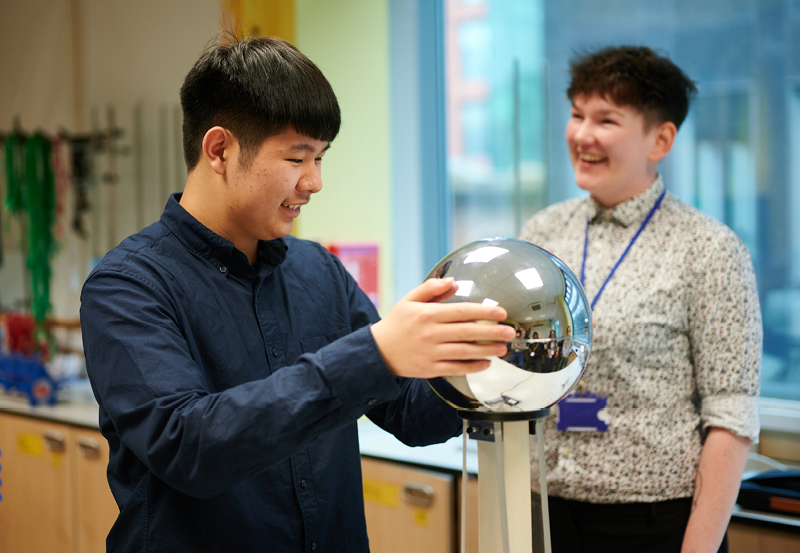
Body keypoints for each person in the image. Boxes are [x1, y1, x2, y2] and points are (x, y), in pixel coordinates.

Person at [79, 36, 515, 553]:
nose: (315, 182)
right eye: (297, 157)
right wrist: (375, 353)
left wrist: (476, 362)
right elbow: (188, 446)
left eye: (321, 157)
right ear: (219, 150)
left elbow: (409, 415)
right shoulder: (127, 286)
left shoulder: (319, 272)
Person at [520, 46, 761, 553]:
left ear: (661, 138)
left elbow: (731, 416)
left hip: (656, 523)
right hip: (546, 506)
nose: (583, 134)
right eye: (576, 114)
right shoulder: (543, 232)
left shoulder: (709, 249)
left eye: (606, 119)